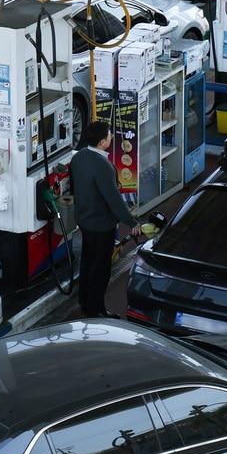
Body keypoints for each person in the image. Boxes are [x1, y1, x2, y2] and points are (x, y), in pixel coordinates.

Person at [70, 120, 140, 319]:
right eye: (109, 135)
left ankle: (84, 301)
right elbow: (114, 200)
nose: (111, 137)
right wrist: (132, 222)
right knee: (101, 269)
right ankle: (97, 310)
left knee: (87, 262)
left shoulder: (79, 157)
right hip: (101, 224)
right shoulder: (103, 166)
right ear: (102, 142)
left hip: (84, 220)